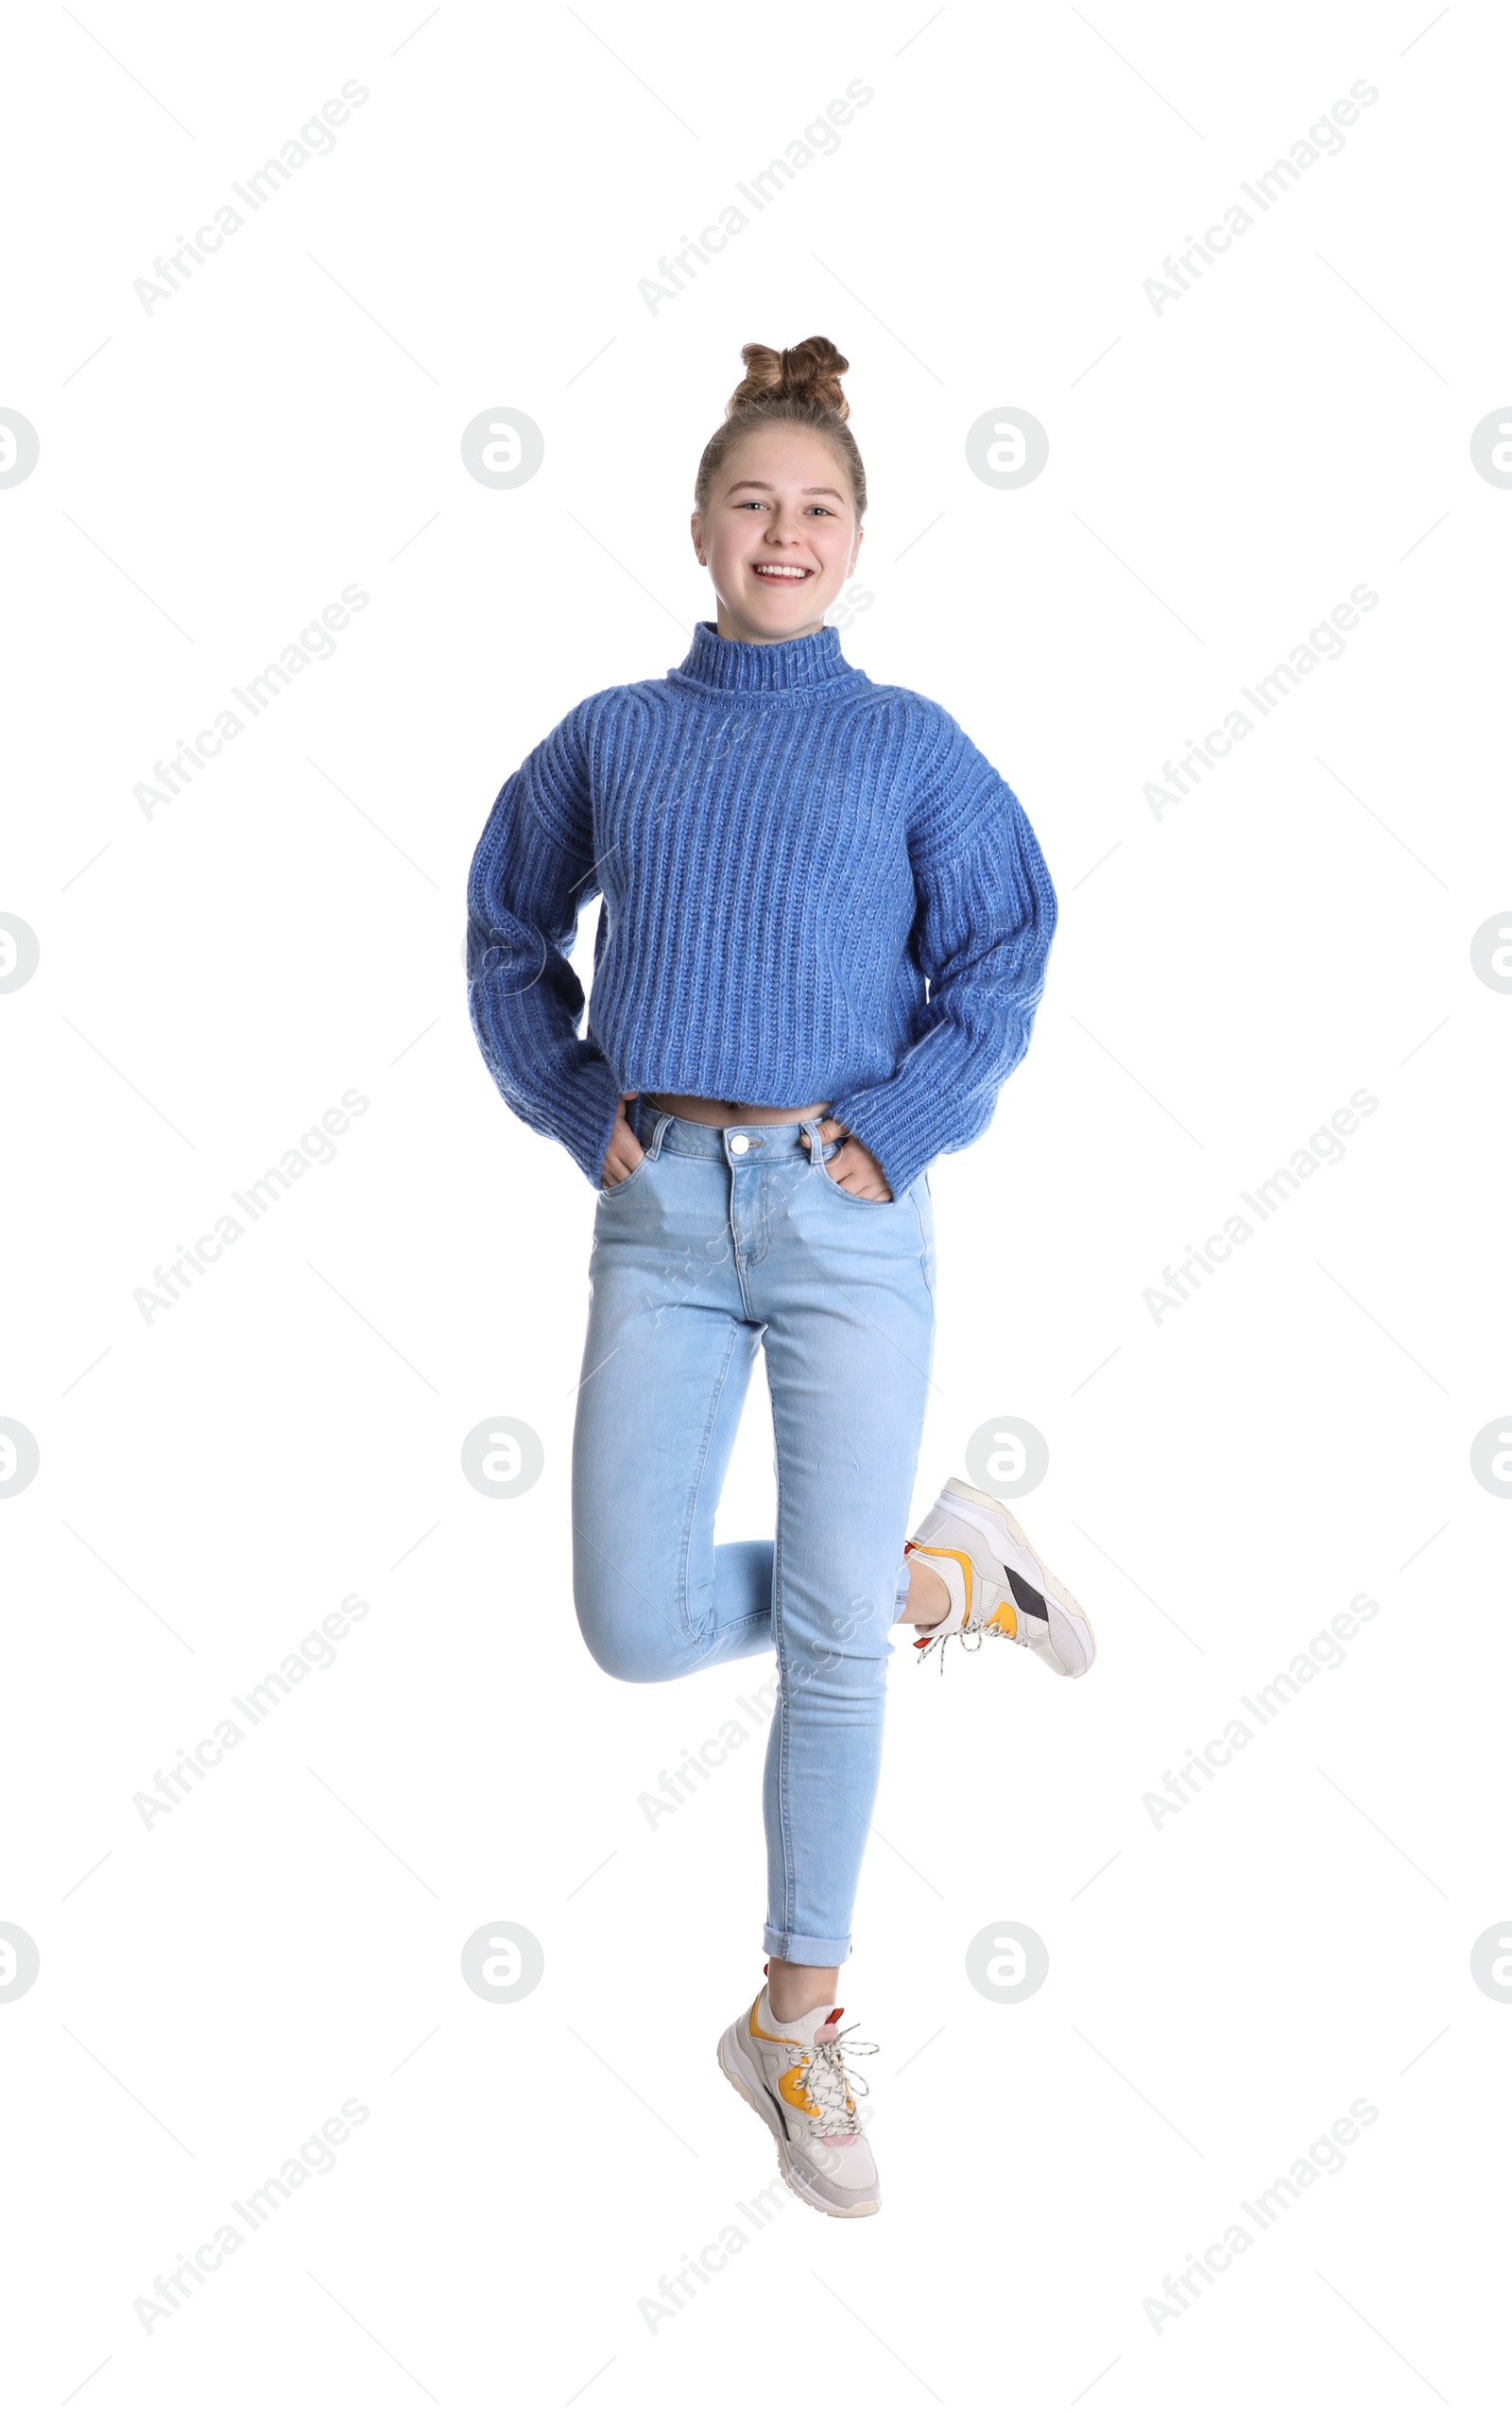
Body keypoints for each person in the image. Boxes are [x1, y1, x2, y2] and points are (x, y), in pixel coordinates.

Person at [465, 336, 1095, 2219]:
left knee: (828, 1649)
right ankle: (939, 1571)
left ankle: (792, 2014)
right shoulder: (610, 735)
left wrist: (900, 1120)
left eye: (817, 506)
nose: (783, 531)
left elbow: (1006, 938)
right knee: (635, 1619)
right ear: (696, 526)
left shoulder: (904, 742)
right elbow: (505, 927)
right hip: (659, 1213)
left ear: (855, 538)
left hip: (842, 1215)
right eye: (752, 500)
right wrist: (574, 1098)